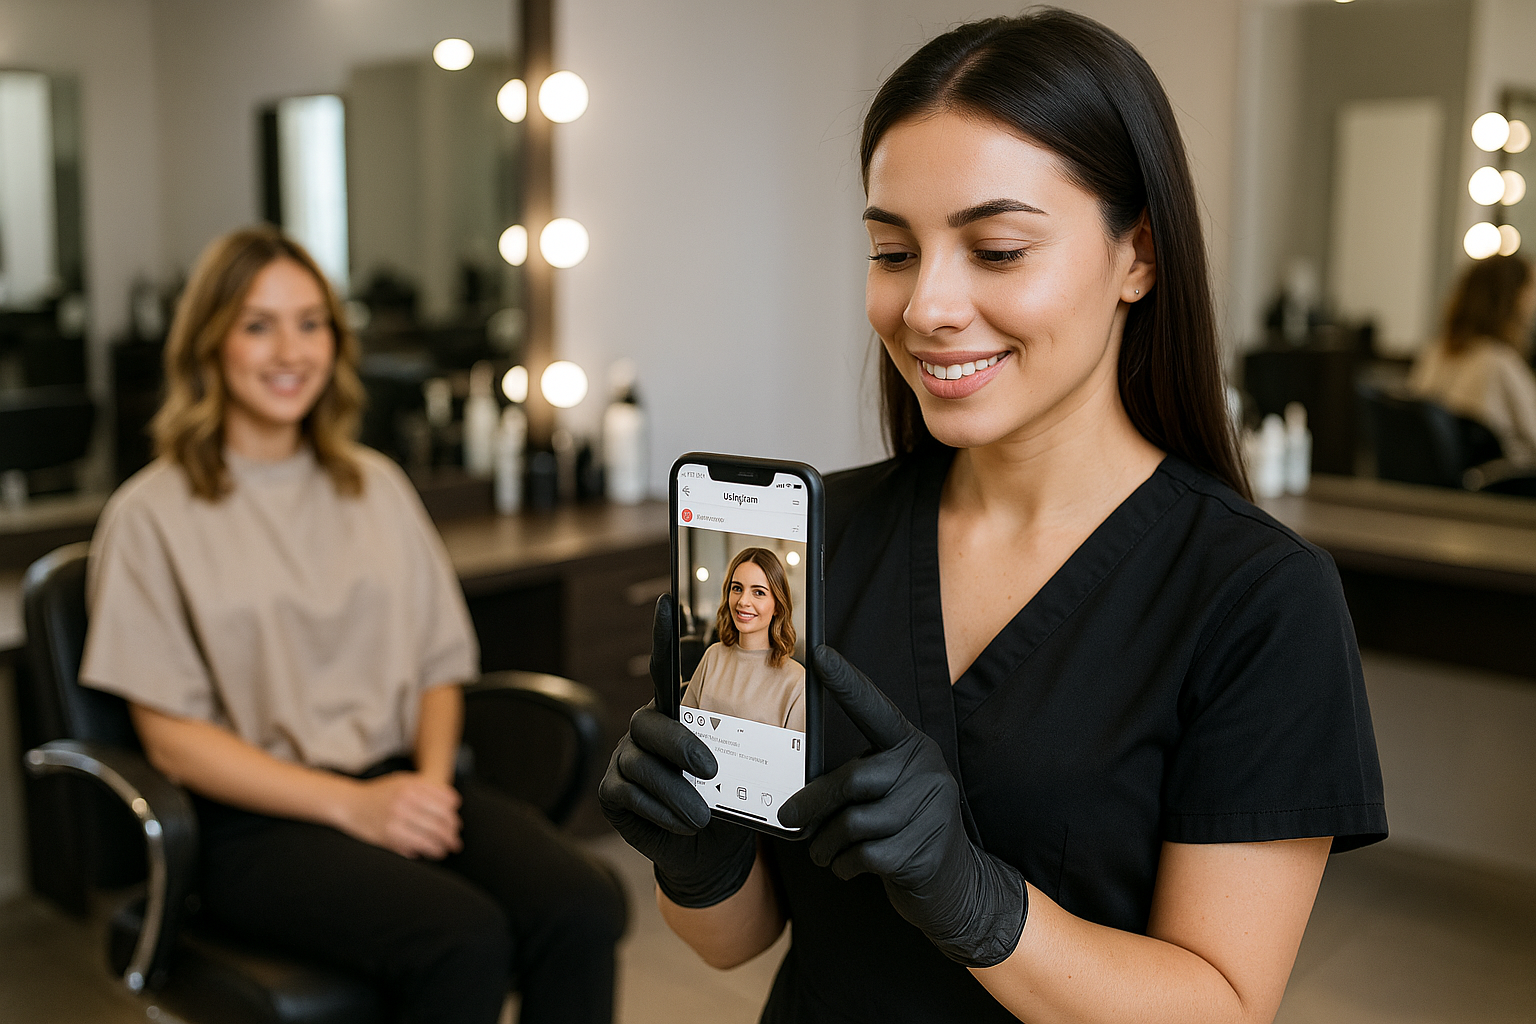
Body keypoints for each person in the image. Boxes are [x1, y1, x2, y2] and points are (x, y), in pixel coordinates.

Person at [600, 11, 1385, 1024]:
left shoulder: (1256, 597)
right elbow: (737, 941)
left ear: (1139, 255)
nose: (925, 306)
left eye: (999, 249)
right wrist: (696, 854)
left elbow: (1220, 1005)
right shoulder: (817, 540)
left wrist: (977, 902)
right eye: (893, 251)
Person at [78, 226, 626, 1024]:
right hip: (256, 825)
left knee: (582, 904)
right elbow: (172, 742)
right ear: (210, 343)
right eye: (258, 325)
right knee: (461, 939)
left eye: (311, 324)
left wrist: (429, 786)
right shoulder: (149, 516)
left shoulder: (376, 487)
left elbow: (438, 667)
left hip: (403, 778)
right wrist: (351, 806)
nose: (290, 351)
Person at [1409, 253, 1536, 465]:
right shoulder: (1498, 362)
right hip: (1502, 480)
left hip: (1441, 478)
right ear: (1513, 297)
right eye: (1531, 289)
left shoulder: (1435, 353)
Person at [682, 547, 806, 730]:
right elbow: (683, 729)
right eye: (737, 588)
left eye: (759, 592)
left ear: (778, 606)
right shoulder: (713, 656)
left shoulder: (796, 680)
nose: (743, 601)